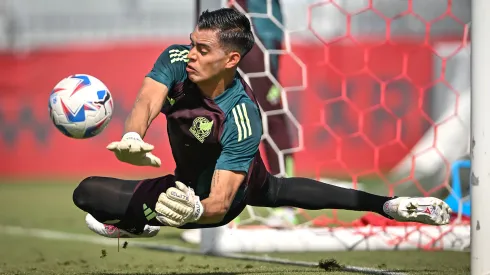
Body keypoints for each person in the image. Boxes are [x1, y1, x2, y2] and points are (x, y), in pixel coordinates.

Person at [72, 8, 451, 239]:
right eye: (192, 43)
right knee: (86, 195)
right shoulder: (176, 59)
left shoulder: (241, 115)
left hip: (227, 195)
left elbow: (219, 203)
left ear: (231, 59)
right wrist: (133, 135)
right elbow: (147, 99)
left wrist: (194, 212)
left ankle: (390, 205)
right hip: (183, 185)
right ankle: (142, 221)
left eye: (203, 50)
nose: (191, 54)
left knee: (273, 189)